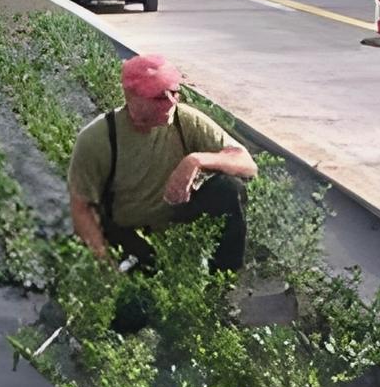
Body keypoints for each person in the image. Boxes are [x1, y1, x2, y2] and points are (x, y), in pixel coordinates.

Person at [67, 54, 256, 273]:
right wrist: (105, 264)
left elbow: (247, 164)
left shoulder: (184, 119)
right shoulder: (98, 137)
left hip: (178, 221)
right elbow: (81, 208)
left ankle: (223, 278)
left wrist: (196, 160)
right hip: (129, 231)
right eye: (160, 97)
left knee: (228, 189)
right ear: (133, 98)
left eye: (174, 92)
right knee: (139, 280)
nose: (171, 102)